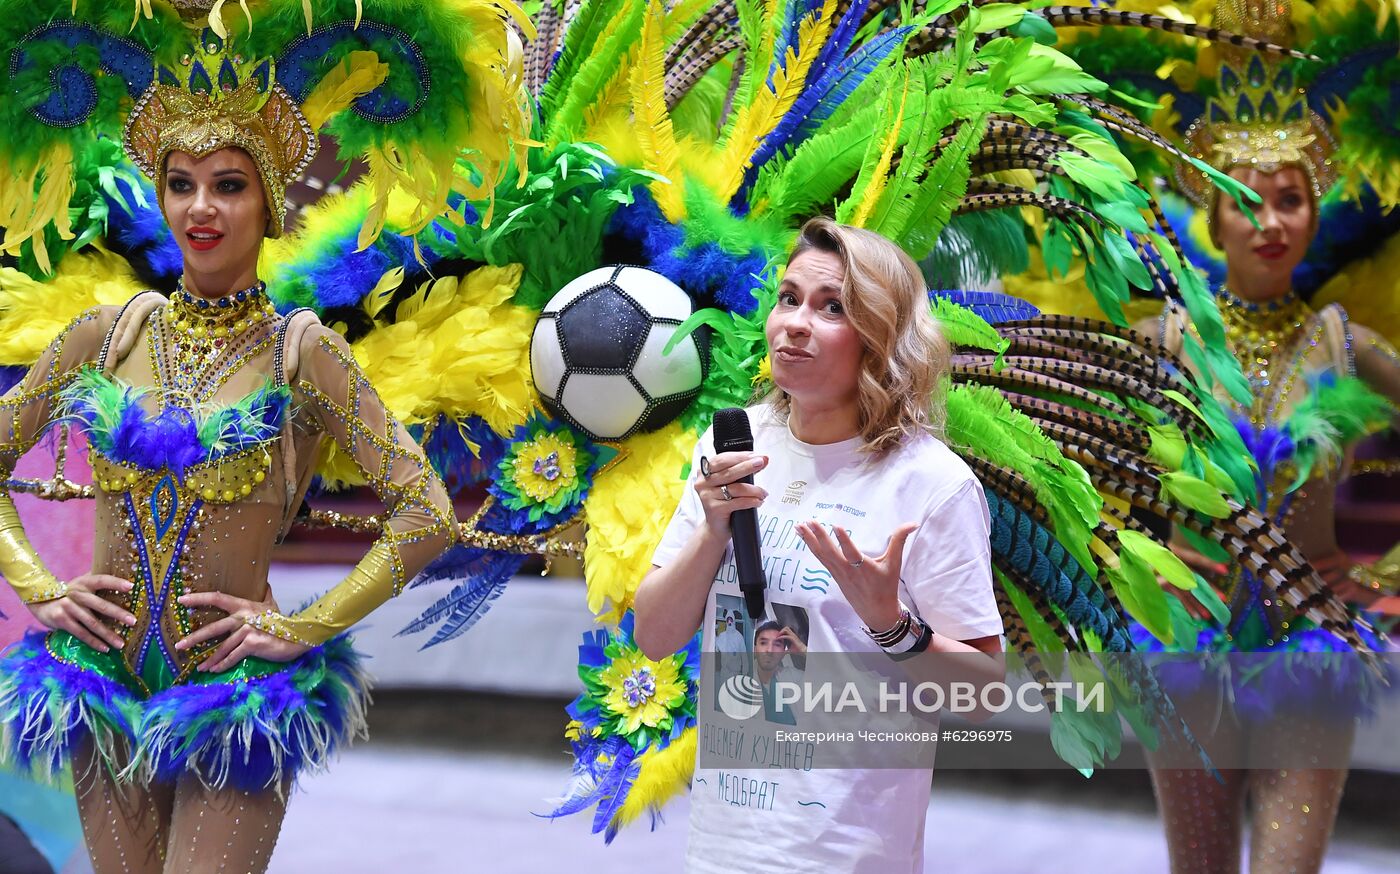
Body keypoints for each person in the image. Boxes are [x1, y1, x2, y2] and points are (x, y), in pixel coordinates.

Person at [0, 40, 461, 874]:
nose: (199, 208)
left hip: (234, 699)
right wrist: (42, 588)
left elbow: (426, 510)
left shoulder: (302, 353)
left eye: (229, 185)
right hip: (102, 687)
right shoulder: (105, 336)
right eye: (181, 184)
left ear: (271, 204)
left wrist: (305, 627)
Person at [633, 218, 1005, 873]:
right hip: (724, 848)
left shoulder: (931, 484)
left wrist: (892, 625)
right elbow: (655, 634)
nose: (795, 323)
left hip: (845, 853)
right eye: (789, 298)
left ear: (880, 340)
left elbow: (982, 695)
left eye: (832, 308)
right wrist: (713, 528)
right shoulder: (736, 444)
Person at [1133, 4, 1400, 870]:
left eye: (1291, 199)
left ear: (1316, 213)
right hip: (1187, 653)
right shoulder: (1166, 342)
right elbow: (1064, 457)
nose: (1271, 221)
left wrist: (1382, 572)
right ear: (1213, 218)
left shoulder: (1347, 347)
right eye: (1247, 202)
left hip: (1308, 655)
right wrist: (1126, 556)